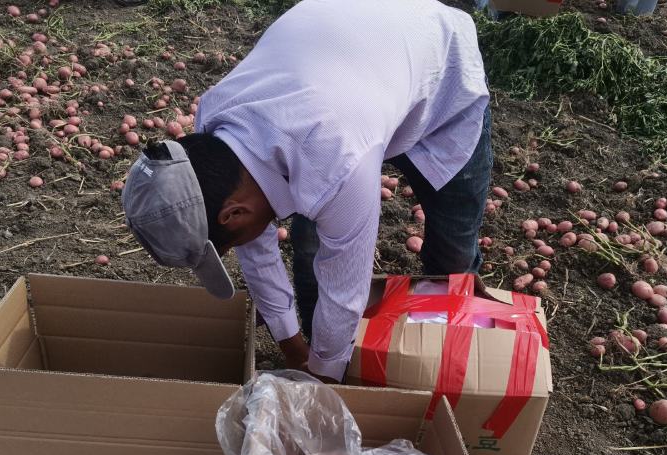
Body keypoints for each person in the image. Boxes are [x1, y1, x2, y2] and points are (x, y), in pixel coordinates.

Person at [121, 0, 492, 383]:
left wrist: (321, 386)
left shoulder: (337, 162)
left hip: (441, 76)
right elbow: (257, 251)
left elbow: (345, 291)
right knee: (311, 246)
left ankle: (456, 367)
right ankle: (327, 348)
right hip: (356, 69)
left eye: (227, 245)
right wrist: (295, 350)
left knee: (451, 256)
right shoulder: (212, 140)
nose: (236, 249)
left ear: (234, 214)